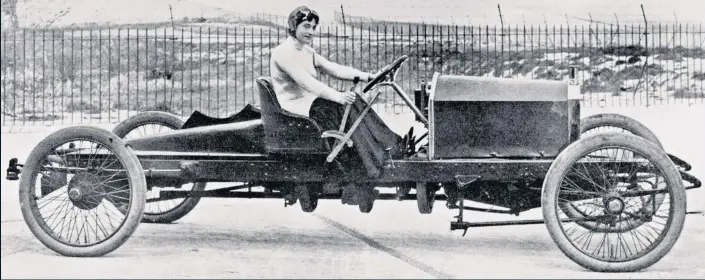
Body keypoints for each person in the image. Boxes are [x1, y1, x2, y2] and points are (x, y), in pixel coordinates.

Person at [269, 6, 407, 178]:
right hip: (295, 107)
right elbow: (308, 82)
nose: (310, 31)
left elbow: (333, 68)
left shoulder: (306, 51)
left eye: (313, 27)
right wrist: (339, 97)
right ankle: (376, 159)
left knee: (354, 101)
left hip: (310, 101)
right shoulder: (283, 53)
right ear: (293, 25)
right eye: (306, 26)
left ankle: (392, 145)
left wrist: (370, 76)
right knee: (344, 107)